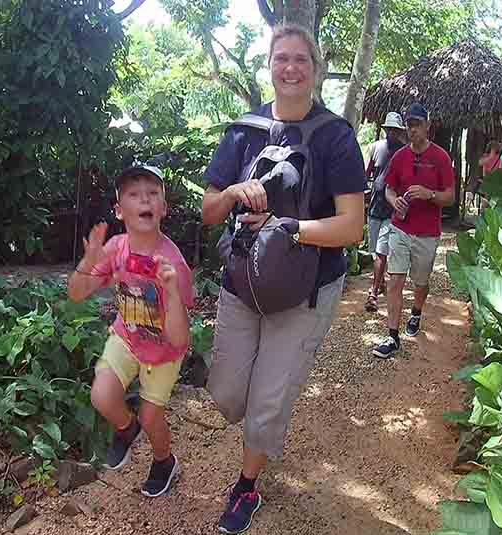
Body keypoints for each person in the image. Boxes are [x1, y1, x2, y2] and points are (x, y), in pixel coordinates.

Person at [201, 24, 366, 534]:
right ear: (269, 67)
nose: (291, 68)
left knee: (268, 402)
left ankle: (247, 485)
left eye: (301, 60)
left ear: (315, 70)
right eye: (281, 59)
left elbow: (352, 226)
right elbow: (208, 211)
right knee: (227, 394)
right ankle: (258, 425)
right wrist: (234, 194)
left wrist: (286, 228)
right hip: (242, 282)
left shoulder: (336, 137)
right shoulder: (242, 131)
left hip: (307, 289)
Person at [67, 165, 194, 497]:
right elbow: (77, 293)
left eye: (153, 193)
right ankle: (127, 428)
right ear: (119, 210)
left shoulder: (174, 265)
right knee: (102, 395)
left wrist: (169, 291)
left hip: (164, 351)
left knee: (153, 418)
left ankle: (164, 461)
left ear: (163, 208)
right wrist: (90, 259)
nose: (145, 200)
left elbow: (181, 339)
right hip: (126, 337)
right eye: (135, 195)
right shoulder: (116, 248)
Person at [372, 103, 454, 359]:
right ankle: (392, 336)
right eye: (409, 124)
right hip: (400, 227)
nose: (413, 129)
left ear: (428, 126)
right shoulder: (400, 157)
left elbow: (450, 197)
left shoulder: (441, 157)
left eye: (417, 124)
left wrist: (429, 195)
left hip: (427, 233)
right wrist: (393, 200)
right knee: (395, 279)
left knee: (420, 282)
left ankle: (416, 311)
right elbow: (388, 188)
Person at [364, 112, 406, 312]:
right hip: (374, 207)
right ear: (386, 130)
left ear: (398, 132)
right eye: (389, 129)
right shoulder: (375, 148)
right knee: (374, 251)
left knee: (381, 251)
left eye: (394, 130)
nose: (391, 132)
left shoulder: (405, 152)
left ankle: (372, 293)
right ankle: (380, 282)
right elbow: (366, 173)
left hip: (392, 210)